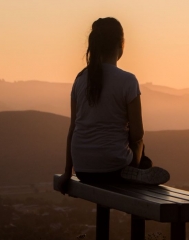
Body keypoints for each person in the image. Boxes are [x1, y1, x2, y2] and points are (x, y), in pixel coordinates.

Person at [56, 17, 170, 194]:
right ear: (120, 45)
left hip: (83, 170)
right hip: (114, 169)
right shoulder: (128, 81)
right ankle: (138, 170)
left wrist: (67, 172)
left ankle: (136, 169)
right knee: (141, 146)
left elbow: (73, 129)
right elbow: (137, 134)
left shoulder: (80, 79)